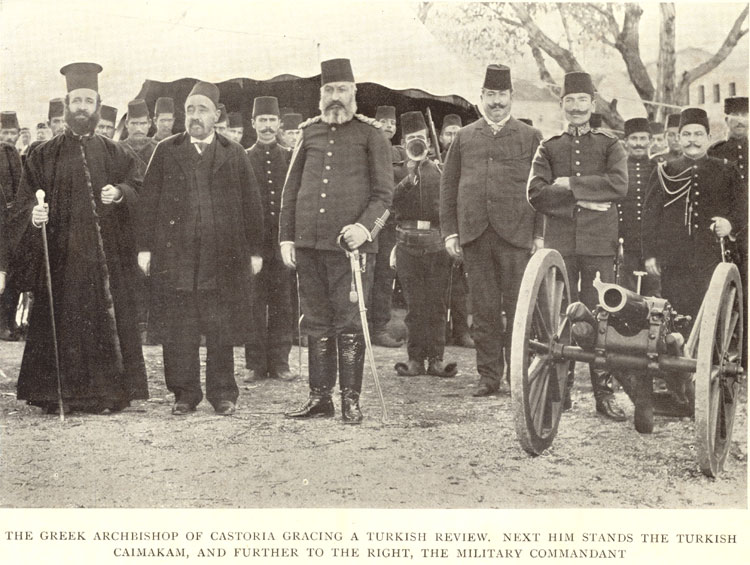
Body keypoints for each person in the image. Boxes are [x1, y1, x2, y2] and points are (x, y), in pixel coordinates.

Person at [6, 62, 148, 413]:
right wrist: (34, 217)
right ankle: (56, 395)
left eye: (88, 100)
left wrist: (120, 192)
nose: (82, 107)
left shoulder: (118, 153)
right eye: (76, 100)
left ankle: (107, 395)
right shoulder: (41, 154)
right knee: (60, 324)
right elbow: (23, 204)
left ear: (98, 103)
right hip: (61, 262)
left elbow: (140, 188)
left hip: (105, 263)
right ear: (66, 104)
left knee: (104, 323)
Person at [138, 80, 264, 416]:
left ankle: (223, 393)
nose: (195, 116)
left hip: (222, 258)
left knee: (220, 326)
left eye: (202, 110)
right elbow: (148, 202)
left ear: (216, 115)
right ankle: (184, 393)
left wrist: (255, 252)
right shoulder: (166, 150)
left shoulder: (233, 153)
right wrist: (145, 248)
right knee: (180, 328)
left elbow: (252, 205)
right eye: (190, 110)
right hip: (174, 257)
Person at [280, 58, 393, 424]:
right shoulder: (309, 133)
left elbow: (383, 196)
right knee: (316, 322)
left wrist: (364, 229)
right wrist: (287, 238)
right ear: (320, 95)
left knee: (349, 324)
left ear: (354, 94)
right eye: (328, 90)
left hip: (352, 250)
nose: (335, 97)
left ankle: (350, 400)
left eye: (341, 90)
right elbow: (290, 192)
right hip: (310, 246)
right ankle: (319, 398)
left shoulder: (371, 135)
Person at [527, 71, 628, 421]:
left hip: (599, 245)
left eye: (582, 100)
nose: (575, 107)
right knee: (561, 318)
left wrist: (570, 182)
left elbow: (619, 185)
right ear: (562, 105)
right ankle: (561, 390)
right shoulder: (549, 146)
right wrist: (583, 200)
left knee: (602, 316)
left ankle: (604, 395)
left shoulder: (610, 144)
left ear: (593, 103)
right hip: (562, 246)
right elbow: (536, 192)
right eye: (569, 101)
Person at [441, 64, 543, 397]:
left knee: (517, 307)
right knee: (483, 309)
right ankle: (488, 377)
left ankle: (518, 375)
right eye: (491, 95)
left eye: (502, 95)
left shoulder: (530, 137)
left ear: (512, 97)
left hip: (516, 236)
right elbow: (449, 186)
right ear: (481, 97)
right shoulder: (465, 137)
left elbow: (540, 188)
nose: (496, 102)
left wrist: (538, 234)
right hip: (475, 235)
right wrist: (451, 232)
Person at [643, 107, 746, 321]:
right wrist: (650, 254)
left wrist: (730, 225)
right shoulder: (665, 171)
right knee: (676, 317)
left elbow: (743, 210)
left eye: (698, 134)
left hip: (713, 259)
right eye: (687, 134)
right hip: (674, 260)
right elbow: (650, 215)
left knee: (714, 316)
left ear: (709, 138)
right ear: (679, 138)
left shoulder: (727, 170)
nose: (693, 140)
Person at [393, 111, 456, 377]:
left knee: (437, 304)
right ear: (403, 143)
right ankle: (415, 359)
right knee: (414, 305)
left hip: (436, 245)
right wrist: (408, 179)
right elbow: (389, 203)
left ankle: (437, 359)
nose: (417, 144)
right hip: (407, 245)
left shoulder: (441, 171)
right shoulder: (396, 173)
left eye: (421, 139)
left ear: (429, 143)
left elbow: (451, 207)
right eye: (411, 139)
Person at [243, 96, 295, 382]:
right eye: (261, 120)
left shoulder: (289, 157)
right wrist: (249, 248)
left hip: (281, 246)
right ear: (253, 124)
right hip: (254, 247)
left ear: (278, 124)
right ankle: (254, 363)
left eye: (271, 120)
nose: (266, 126)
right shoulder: (243, 157)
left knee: (282, 304)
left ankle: (280, 362)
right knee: (253, 304)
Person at [369, 105, 405, 347]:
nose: (388, 126)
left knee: (384, 276)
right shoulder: (367, 147)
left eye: (391, 122)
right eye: (382, 121)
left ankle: (379, 328)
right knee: (362, 276)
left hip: (390, 224)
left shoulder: (401, 153)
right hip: (368, 222)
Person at [438, 114, 473, 349]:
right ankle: (440, 334)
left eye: (457, 133)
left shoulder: (469, 160)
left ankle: (462, 331)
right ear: (440, 137)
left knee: (461, 287)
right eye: (449, 133)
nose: (453, 137)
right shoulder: (426, 159)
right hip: (439, 231)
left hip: (463, 227)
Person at [616, 117, 658, 295]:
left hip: (655, 245)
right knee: (626, 295)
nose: (639, 143)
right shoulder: (617, 169)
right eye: (634, 138)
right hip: (626, 245)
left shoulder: (660, 169)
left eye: (643, 138)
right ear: (625, 142)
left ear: (651, 141)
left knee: (655, 294)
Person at [0, 138, 22, 340]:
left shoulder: (7, 151)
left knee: (7, 271)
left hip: (5, 220)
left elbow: (19, 186)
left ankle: (5, 322)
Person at [120, 99, 157, 177]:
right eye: (134, 124)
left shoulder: (158, 148)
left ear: (149, 123)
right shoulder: (118, 149)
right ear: (126, 124)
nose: (138, 129)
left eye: (143, 123)